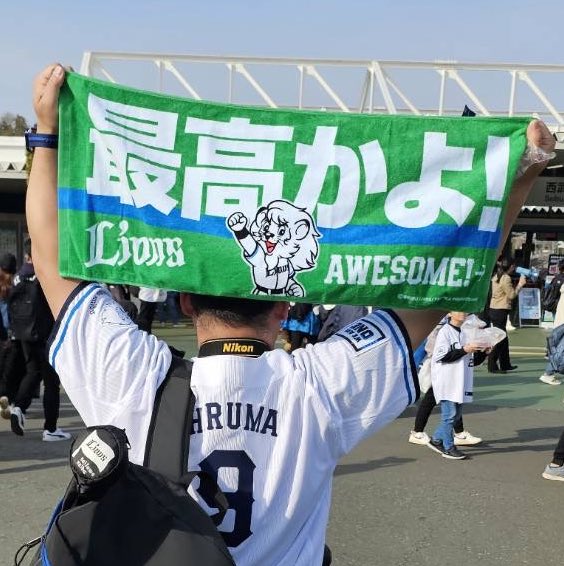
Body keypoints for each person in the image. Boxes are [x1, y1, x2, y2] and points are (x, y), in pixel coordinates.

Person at [25, 64, 553, 564]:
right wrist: (519, 177)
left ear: (186, 301)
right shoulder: (318, 384)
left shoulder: (130, 372)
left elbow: (50, 260)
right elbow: (439, 286)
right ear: (283, 305)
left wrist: (45, 137)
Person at [5, 239, 71, 441]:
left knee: (32, 372)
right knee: (51, 383)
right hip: (45, 333)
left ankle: (19, 408)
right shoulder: (44, 274)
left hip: (23, 333)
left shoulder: (18, 277)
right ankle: (50, 429)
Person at [426, 312, 490, 460]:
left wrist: (484, 352)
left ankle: (436, 439)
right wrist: (464, 350)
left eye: (465, 310)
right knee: (449, 416)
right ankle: (448, 447)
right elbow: (443, 356)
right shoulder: (445, 332)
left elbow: (473, 360)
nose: (463, 313)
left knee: (456, 416)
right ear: (449, 313)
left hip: (460, 380)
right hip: (447, 380)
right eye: (458, 309)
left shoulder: (467, 333)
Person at [487, 258, 526, 373]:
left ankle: (505, 364)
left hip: (495, 309)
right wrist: (520, 284)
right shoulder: (506, 278)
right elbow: (511, 295)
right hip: (500, 310)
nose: (514, 268)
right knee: (500, 338)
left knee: (503, 339)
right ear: (510, 267)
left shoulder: (497, 276)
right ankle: (492, 366)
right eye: (513, 266)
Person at [540, 263, 564, 385]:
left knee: (560, 347)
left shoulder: (558, 280)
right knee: (560, 349)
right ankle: (548, 373)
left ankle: (548, 373)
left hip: (560, 319)